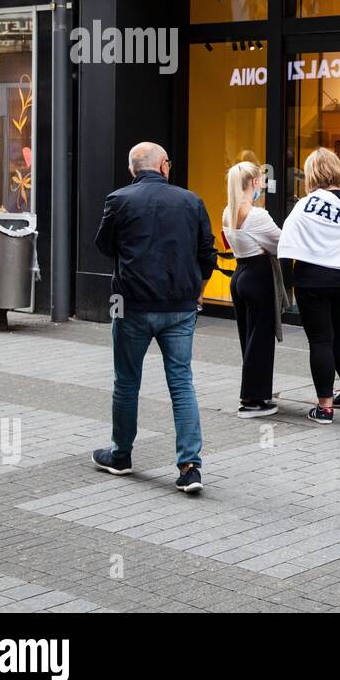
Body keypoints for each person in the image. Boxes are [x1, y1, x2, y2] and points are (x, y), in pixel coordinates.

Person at [92, 142, 216, 494]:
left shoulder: (118, 200)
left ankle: (121, 454)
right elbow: (207, 255)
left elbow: (103, 246)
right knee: (181, 382)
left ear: (134, 169)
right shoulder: (192, 201)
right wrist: (199, 291)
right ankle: (190, 467)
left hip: (129, 303)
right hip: (180, 305)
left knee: (126, 381)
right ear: (164, 165)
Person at [278, 148, 340, 423]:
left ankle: (324, 407)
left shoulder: (305, 205)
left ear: (311, 174)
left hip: (312, 280)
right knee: (336, 332)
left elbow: (286, 244)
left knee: (319, 339)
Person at [222, 160, 284, 419]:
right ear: (256, 182)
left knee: (248, 337)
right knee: (260, 339)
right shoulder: (257, 215)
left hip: (239, 275)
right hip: (259, 276)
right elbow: (280, 242)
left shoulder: (229, 210)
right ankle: (253, 400)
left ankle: (254, 391)